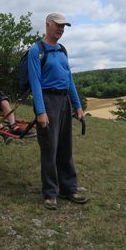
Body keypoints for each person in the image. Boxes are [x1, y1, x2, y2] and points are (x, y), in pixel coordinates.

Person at [27, 12, 87, 210]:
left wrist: (77, 106)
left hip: (63, 102)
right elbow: (35, 83)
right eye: (58, 25)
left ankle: (69, 188)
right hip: (47, 100)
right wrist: (40, 111)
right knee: (49, 147)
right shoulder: (36, 50)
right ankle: (50, 192)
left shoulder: (62, 50)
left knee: (65, 147)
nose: (61, 29)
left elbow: (69, 79)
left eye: (64, 27)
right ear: (47, 25)